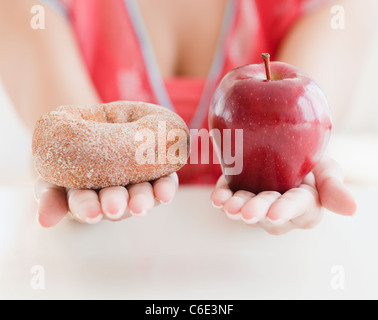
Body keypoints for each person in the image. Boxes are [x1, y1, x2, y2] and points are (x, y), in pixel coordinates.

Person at [1, 0, 375, 234]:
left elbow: (303, 121)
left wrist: (293, 170)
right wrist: (81, 176)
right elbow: (74, 145)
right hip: (97, 273)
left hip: (261, 273)